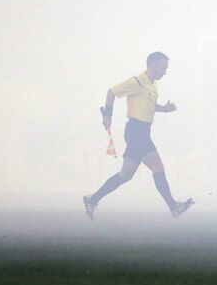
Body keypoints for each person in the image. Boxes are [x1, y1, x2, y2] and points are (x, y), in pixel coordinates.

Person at [83, 52, 194, 220]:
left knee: (125, 175)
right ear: (153, 65)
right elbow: (111, 92)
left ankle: (92, 199)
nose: (165, 72)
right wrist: (108, 115)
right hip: (137, 131)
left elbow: (148, 105)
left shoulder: (153, 85)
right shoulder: (137, 81)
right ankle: (173, 207)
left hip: (142, 130)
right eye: (163, 68)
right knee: (158, 167)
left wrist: (164, 109)